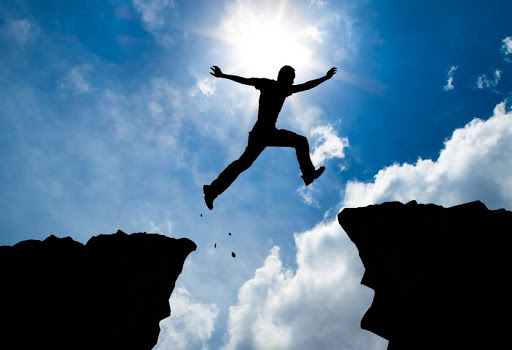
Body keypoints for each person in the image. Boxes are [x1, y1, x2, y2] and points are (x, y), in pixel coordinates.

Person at [203, 65, 337, 210]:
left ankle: (212, 190)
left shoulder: (285, 89)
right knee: (243, 163)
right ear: (284, 76)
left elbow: (306, 86)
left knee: (245, 163)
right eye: (291, 78)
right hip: (261, 133)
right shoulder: (268, 84)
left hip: (269, 133)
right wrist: (224, 75)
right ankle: (212, 190)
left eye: (293, 79)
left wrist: (325, 78)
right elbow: (246, 80)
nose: (292, 82)